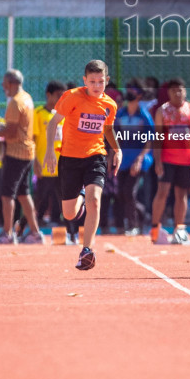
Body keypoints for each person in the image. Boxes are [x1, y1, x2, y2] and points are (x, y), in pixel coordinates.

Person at [42, 60, 120, 272]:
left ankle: (87, 249)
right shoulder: (72, 97)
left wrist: (117, 149)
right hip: (69, 159)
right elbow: (52, 123)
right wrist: (50, 151)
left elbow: (108, 130)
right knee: (68, 214)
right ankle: (82, 197)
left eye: (101, 82)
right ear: (85, 81)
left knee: (96, 199)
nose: (96, 85)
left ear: (107, 81)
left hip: (95, 156)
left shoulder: (110, 105)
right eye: (92, 81)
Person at [0, 69, 42, 245]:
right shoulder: (27, 98)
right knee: (24, 194)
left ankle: (7, 233)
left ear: (12, 83)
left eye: (5, 83)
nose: (3, 86)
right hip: (27, 152)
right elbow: (14, 126)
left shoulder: (15, 102)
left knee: (7, 194)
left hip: (15, 153)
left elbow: (10, 130)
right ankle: (35, 233)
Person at [151, 79, 190, 244]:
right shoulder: (162, 111)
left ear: (185, 91)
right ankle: (155, 229)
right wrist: (157, 161)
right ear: (169, 93)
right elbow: (157, 138)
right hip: (167, 159)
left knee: (182, 194)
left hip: (186, 160)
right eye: (174, 91)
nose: (177, 93)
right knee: (162, 192)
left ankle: (180, 230)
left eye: (180, 90)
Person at [110, 89, 152, 236]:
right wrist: (112, 156)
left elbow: (150, 140)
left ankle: (133, 225)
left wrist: (139, 160)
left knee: (129, 191)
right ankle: (141, 216)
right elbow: (115, 137)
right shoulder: (120, 115)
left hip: (138, 160)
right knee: (121, 193)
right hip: (123, 159)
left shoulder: (144, 116)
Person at [33, 80, 66, 231]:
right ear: (49, 95)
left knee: (63, 199)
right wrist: (35, 162)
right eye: (58, 95)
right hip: (44, 165)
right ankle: (35, 227)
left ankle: (65, 228)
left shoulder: (64, 115)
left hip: (62, 166)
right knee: (41, 198)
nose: (60, 98)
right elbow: (32, 139)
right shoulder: (38, 113)